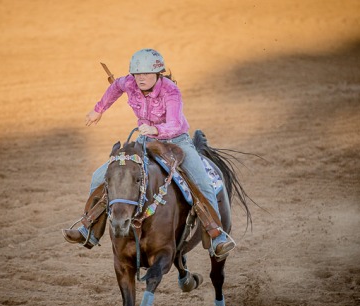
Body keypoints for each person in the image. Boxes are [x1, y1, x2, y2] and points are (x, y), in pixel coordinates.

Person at [62, 48, 235, 260]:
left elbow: (173, 124)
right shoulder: (130, 83)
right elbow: (115, 87)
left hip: (176, 141)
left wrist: (155, 130)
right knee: (99, 176)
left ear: (157, 74)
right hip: (145, 140)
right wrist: (99, 110)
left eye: (145, 74)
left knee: (203, 183)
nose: (140, 78)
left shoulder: (171, 91)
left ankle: (217, 237)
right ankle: (88, 229)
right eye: (137, 73)